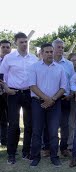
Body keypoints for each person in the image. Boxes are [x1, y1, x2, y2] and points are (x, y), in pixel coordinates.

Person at [0, 32, 38, 164]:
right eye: (21, 42)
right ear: (16, 43)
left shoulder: (33, 58)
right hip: (13, 94)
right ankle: (11, 154)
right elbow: (1, 75)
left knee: (29, 125)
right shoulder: (9, 58)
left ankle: (26, 152)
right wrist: (6, 88)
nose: (24, 44)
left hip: (29, 94)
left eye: (25, 42)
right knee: (14, 125)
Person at [28, 43, 67, 167]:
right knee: (37, 131)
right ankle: (35, 157)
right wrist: (46, 99)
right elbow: (32, 86)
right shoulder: (34, 67)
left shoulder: (60, 68)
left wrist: (52, 99)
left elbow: (63, 87)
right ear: (41, 53)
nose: (50, 54)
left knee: (54, 131)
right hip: (37, 103)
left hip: (55, 103)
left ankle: (54, 156)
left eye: (51, 51)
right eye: (47, 52)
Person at [53, 39, 75, 157]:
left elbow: (72, 80)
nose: (61, 49)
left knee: (65, 125)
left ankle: (64, 148)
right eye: (58, 47)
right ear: (53, 48)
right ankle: (49, 148)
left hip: (65, 98)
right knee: (51, 124)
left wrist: (71, 93)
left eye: (62, 47)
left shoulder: (69, 64)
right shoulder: (47, 62)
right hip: (51, 98)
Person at [67, 53, 76, 151]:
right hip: (68, 97)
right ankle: (70, 143)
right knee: (70, 122)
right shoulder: (67, 69)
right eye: (73, 60)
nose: (75, 62)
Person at [0, 40, 11, 146]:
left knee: (10, 118)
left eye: (8, 47)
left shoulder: (13, 61)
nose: (5, 49)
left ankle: (6, 140)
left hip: (10, 93)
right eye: (3, 47)